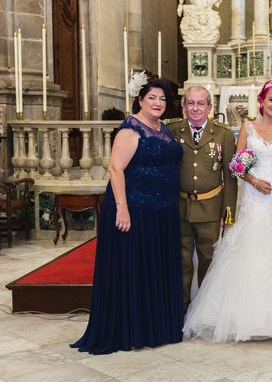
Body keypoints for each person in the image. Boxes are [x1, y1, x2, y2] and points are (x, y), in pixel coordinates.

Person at [183, 80, 272, 342]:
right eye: (271, 99)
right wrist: (254, 181)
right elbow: (237, 164)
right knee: (252, 246)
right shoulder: (248, 128)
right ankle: (244, 317)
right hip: (255, 194)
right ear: (261, 101)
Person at [71, 73, 183, 354]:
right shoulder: (131, 130)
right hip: (135, 210)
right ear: (140, 100)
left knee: (152, 269)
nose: (158, 102)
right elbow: (115, 168)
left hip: (161, 213)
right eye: (152, 98)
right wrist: (122, 208)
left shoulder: (162, 129)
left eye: (162, 98)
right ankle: (129, 329)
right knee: (134, 269)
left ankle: (152, 327)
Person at [167, 86, 237, 312]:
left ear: (210, 107)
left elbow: (230, 176)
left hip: (210, 208)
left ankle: (205, 311)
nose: (195, 108)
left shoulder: (223, 134)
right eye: (191, 103)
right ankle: (181, 309)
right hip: (180, 207)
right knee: (182, 261)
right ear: (183, 105)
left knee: (208, 259)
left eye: (200, 104)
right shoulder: (172, 130)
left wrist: (229, 213)